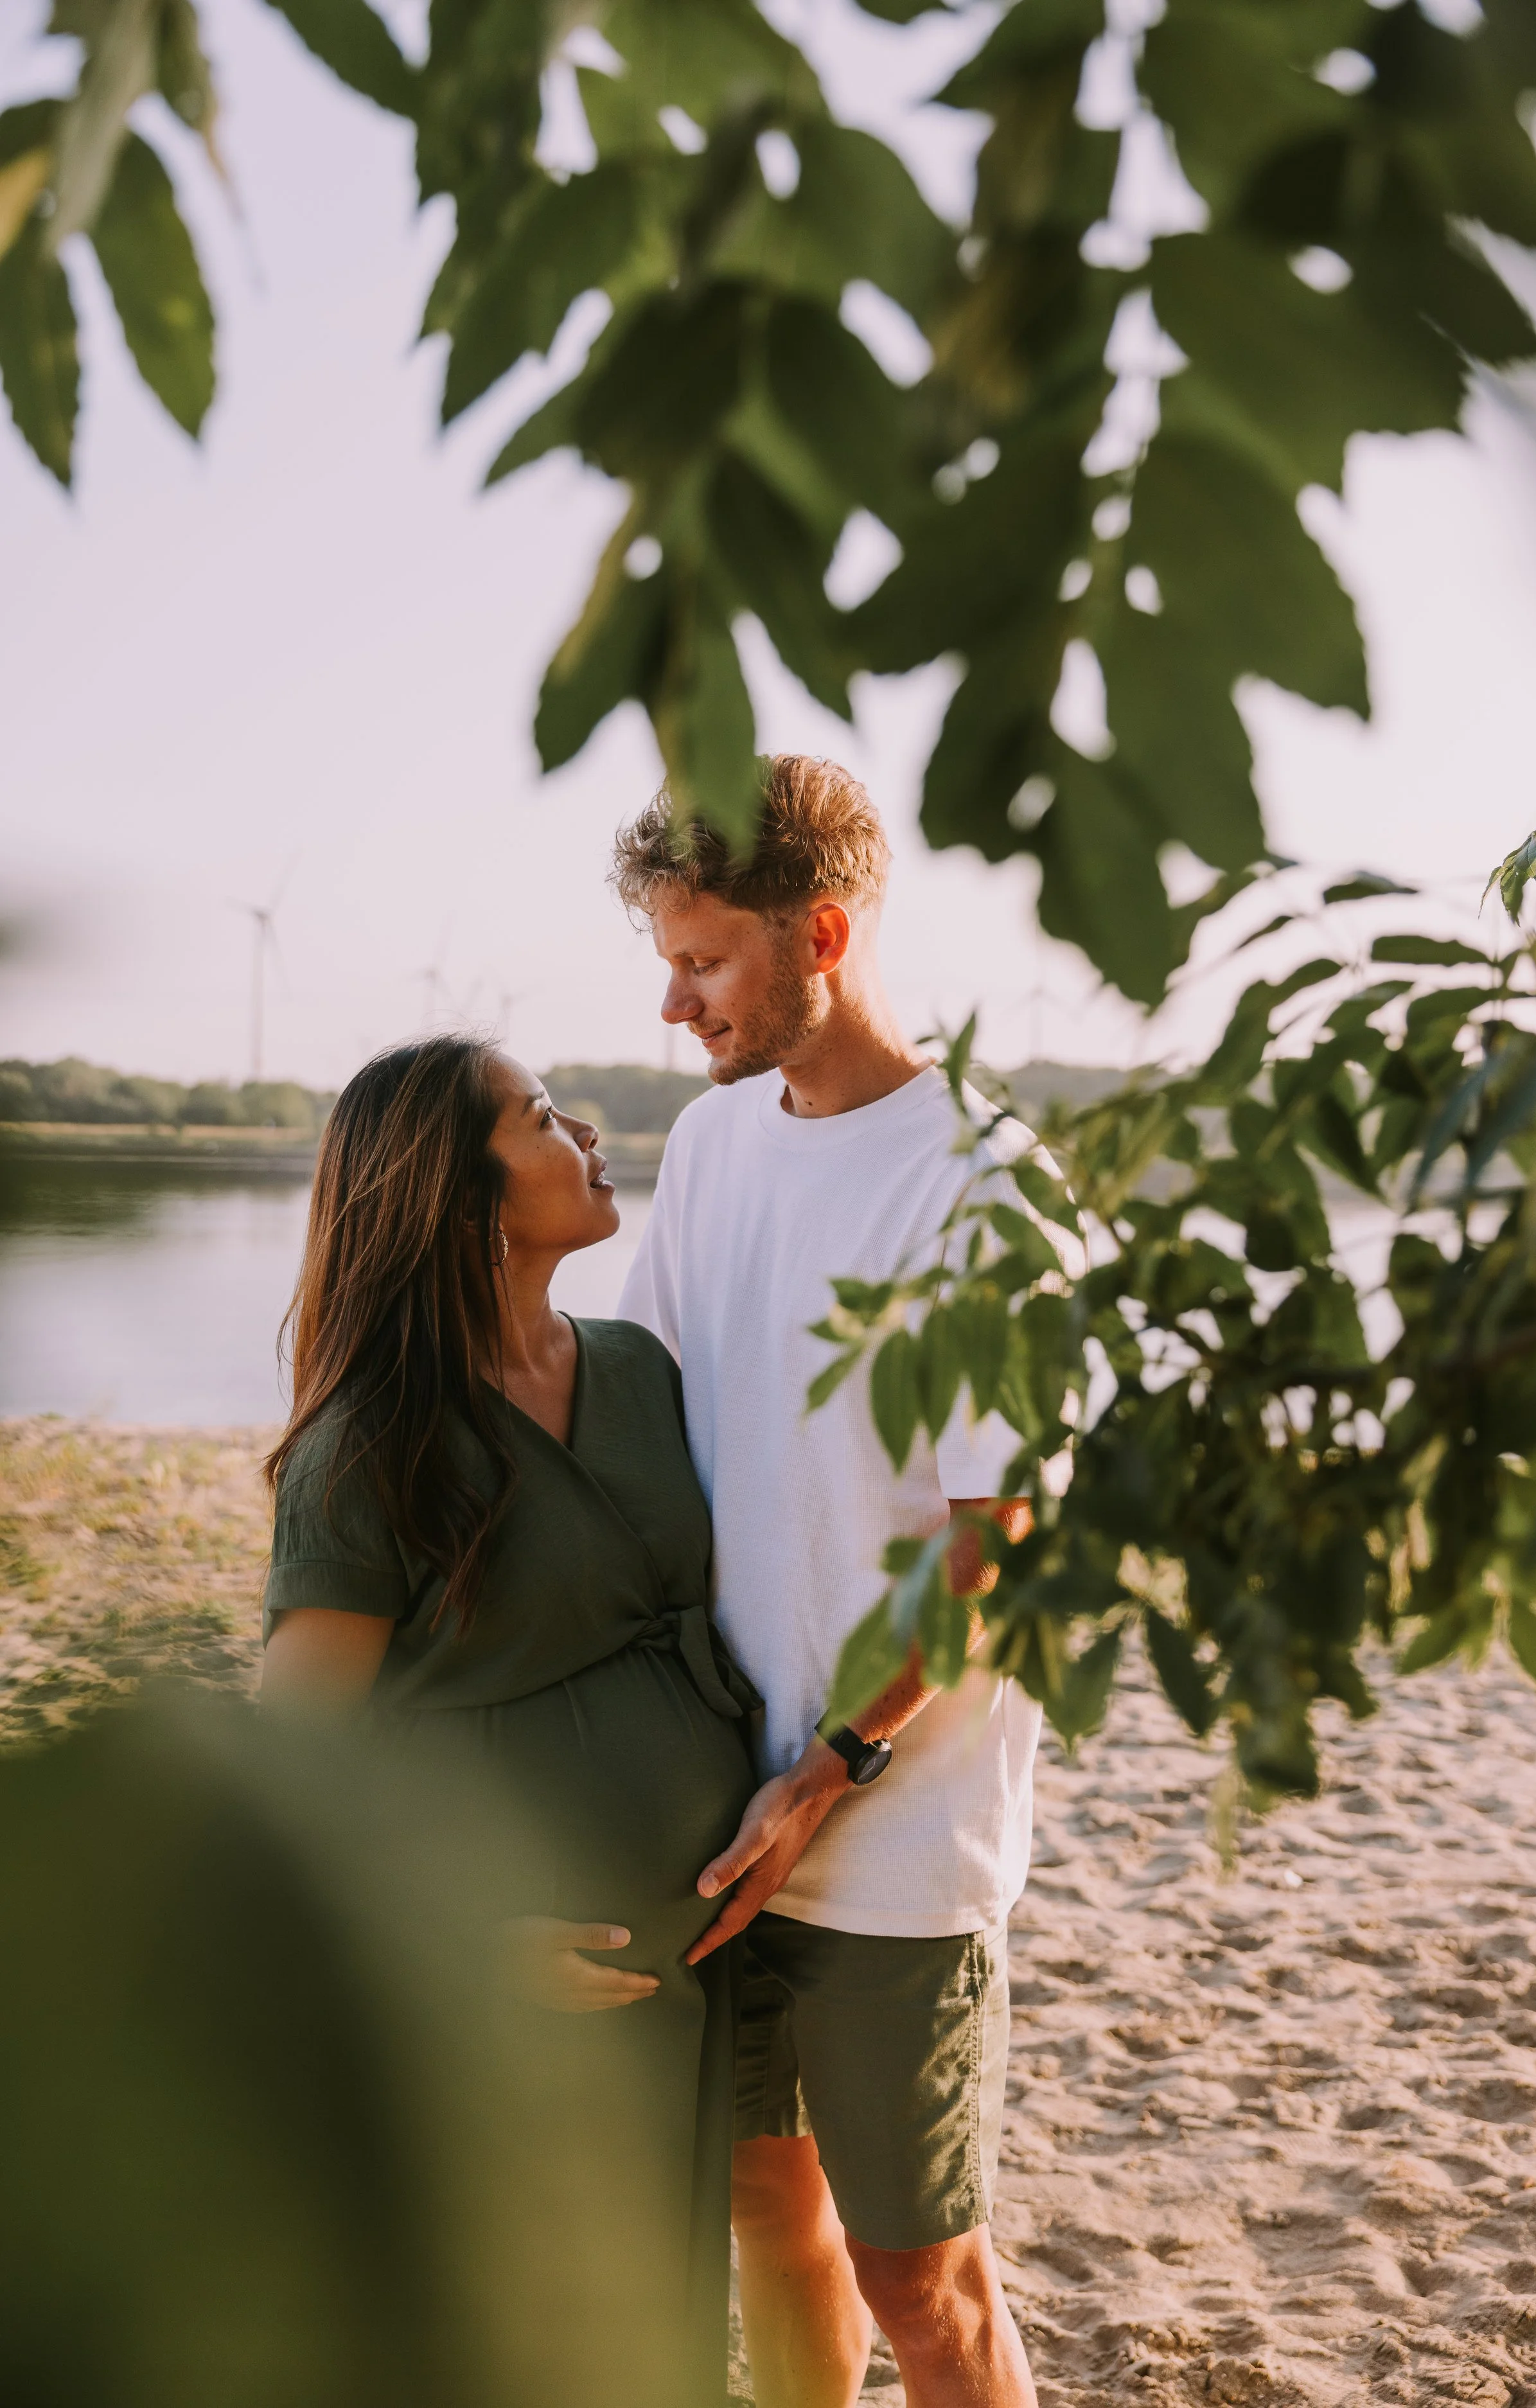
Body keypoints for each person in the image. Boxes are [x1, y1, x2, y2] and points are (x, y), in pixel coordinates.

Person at [614, 757, 1043, 2408]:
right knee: (759, 2217)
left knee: (919, 2283)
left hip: (887, 1832)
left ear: (825, 933)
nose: (673, 1002)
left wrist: (831, 1765)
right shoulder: (716, 1147)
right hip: (718, 1811)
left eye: (703, 961)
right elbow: (637, 1395)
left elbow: (993, 1537)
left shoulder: (982, 1185)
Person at [257, 1034, 758, 2408]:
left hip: (678, 1959)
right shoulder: (373, 1446)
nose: (583, 1126)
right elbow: (288, 1775)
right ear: (467, 1205)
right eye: (540, 1115)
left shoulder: (642, 1371)